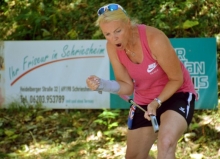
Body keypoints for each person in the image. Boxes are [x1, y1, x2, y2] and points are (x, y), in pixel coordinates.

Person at [86, 3, 197, 159]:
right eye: (108, 34)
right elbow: (127, 86)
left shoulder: (154, 39)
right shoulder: (112, 47)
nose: (114, 38)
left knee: (166, 142)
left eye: (118, 31)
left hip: (177, 92)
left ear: (128, 23)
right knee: (134, 156)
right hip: (145, 99)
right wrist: (102, 84)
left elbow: (176, 78)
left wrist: (156, 102)